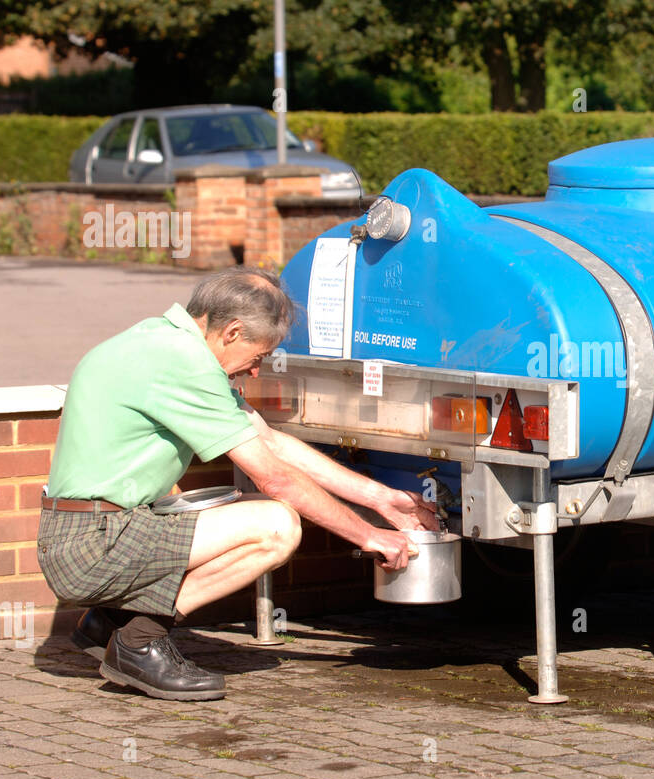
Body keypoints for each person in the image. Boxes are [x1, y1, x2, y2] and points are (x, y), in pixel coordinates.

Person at [37, 266, 438, 701]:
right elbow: (276, 479)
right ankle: (138, 642)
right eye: (259, 355)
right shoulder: (182, 363)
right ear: (231, 331)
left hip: (91, 532)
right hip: (93, 545)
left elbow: (269, 441)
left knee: (248, 507)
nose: (254, 371)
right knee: (277, 527)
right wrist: (370, 536)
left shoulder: (162, 342)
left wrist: (382, 499)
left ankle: (108, 623)